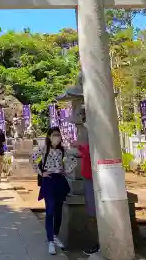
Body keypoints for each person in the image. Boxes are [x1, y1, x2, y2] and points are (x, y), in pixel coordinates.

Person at [32, 127, 75, 255]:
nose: (57, 137)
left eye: (58, 135)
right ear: (49, 136)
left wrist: (66, 170)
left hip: (59, 180)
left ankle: (55, 235)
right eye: (54, 135)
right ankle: (50, 240)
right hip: (48, 180)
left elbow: (72, 160)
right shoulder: (43, 148)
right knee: (50, 210)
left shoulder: (63, 149)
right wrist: (41, 173)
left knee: (58, 211)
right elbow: (32, 159)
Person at [74, 109, 100, 255]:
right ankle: (97, 242)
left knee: (95, 213)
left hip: (94, 174)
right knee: (92, 213)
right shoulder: (86, 131)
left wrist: (79, 146)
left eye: (84, 117)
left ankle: (100, 243)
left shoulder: (95, 131)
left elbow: (93, 150)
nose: (82, 121)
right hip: (88, 173)